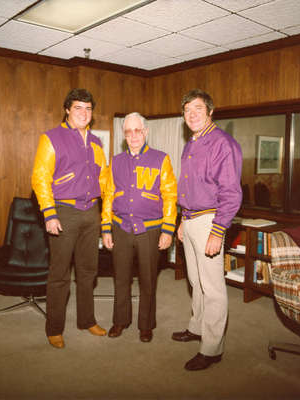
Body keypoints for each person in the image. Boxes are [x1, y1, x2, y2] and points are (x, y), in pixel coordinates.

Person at [32, 88, 108, 349]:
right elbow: (40, 178)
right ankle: (54, 328)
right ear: (67, 110)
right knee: (60, 274)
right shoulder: (51, 138)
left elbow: (104, 179)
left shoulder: (97, 143)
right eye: (78, 108)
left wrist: (106, 215)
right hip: (63, 211)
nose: (84, 113)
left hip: (91, 212)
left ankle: (87, 320)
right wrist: (49, 213)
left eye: (88, 109)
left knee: (88, 271)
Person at [172, 89, 242, 370]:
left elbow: (231, 194)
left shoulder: (223, 144)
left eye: (198, 109)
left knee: (212, 287)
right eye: (187, 110)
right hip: (189, 219)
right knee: (195, 281)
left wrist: (217, 231)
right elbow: (189, 186)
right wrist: (181, 220)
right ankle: (197, 328)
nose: (192, 115)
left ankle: (212, 349)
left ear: (210, 112)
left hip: (209, 221)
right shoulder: (191, 142)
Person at [101, 112, 177, 342]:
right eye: (128, 131)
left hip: (151, 230)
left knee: (148, 279)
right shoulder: (115, 161)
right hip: (121, 228)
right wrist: (106, 228)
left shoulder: (161, 159)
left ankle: (146, 324)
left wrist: (168, 229)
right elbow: (108, 196)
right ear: (124, 135)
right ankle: (120, 321)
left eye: (137, 130)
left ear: (145, 132)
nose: (133, 135)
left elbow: (170, 196)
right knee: (121, 278)